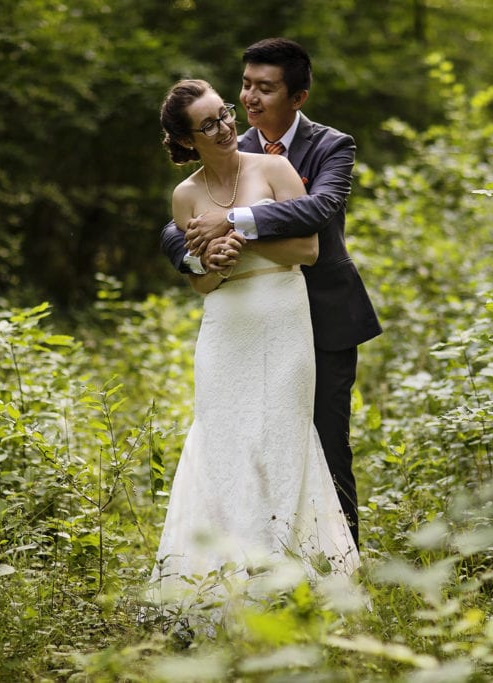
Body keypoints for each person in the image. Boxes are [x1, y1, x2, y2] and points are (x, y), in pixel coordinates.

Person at [160, 38, 381, 547]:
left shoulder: (331, 146)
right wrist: (198, 255)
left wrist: (232, 222)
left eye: (265, 88)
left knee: (325, 442)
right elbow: (177, 230)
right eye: (245, 86)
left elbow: (318, 211)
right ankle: (243, 551)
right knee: (238, 439)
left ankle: (334, 557)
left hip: (322, 314)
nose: (249, 100)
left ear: (297, 97)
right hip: (238, 320)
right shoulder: (225, 149)